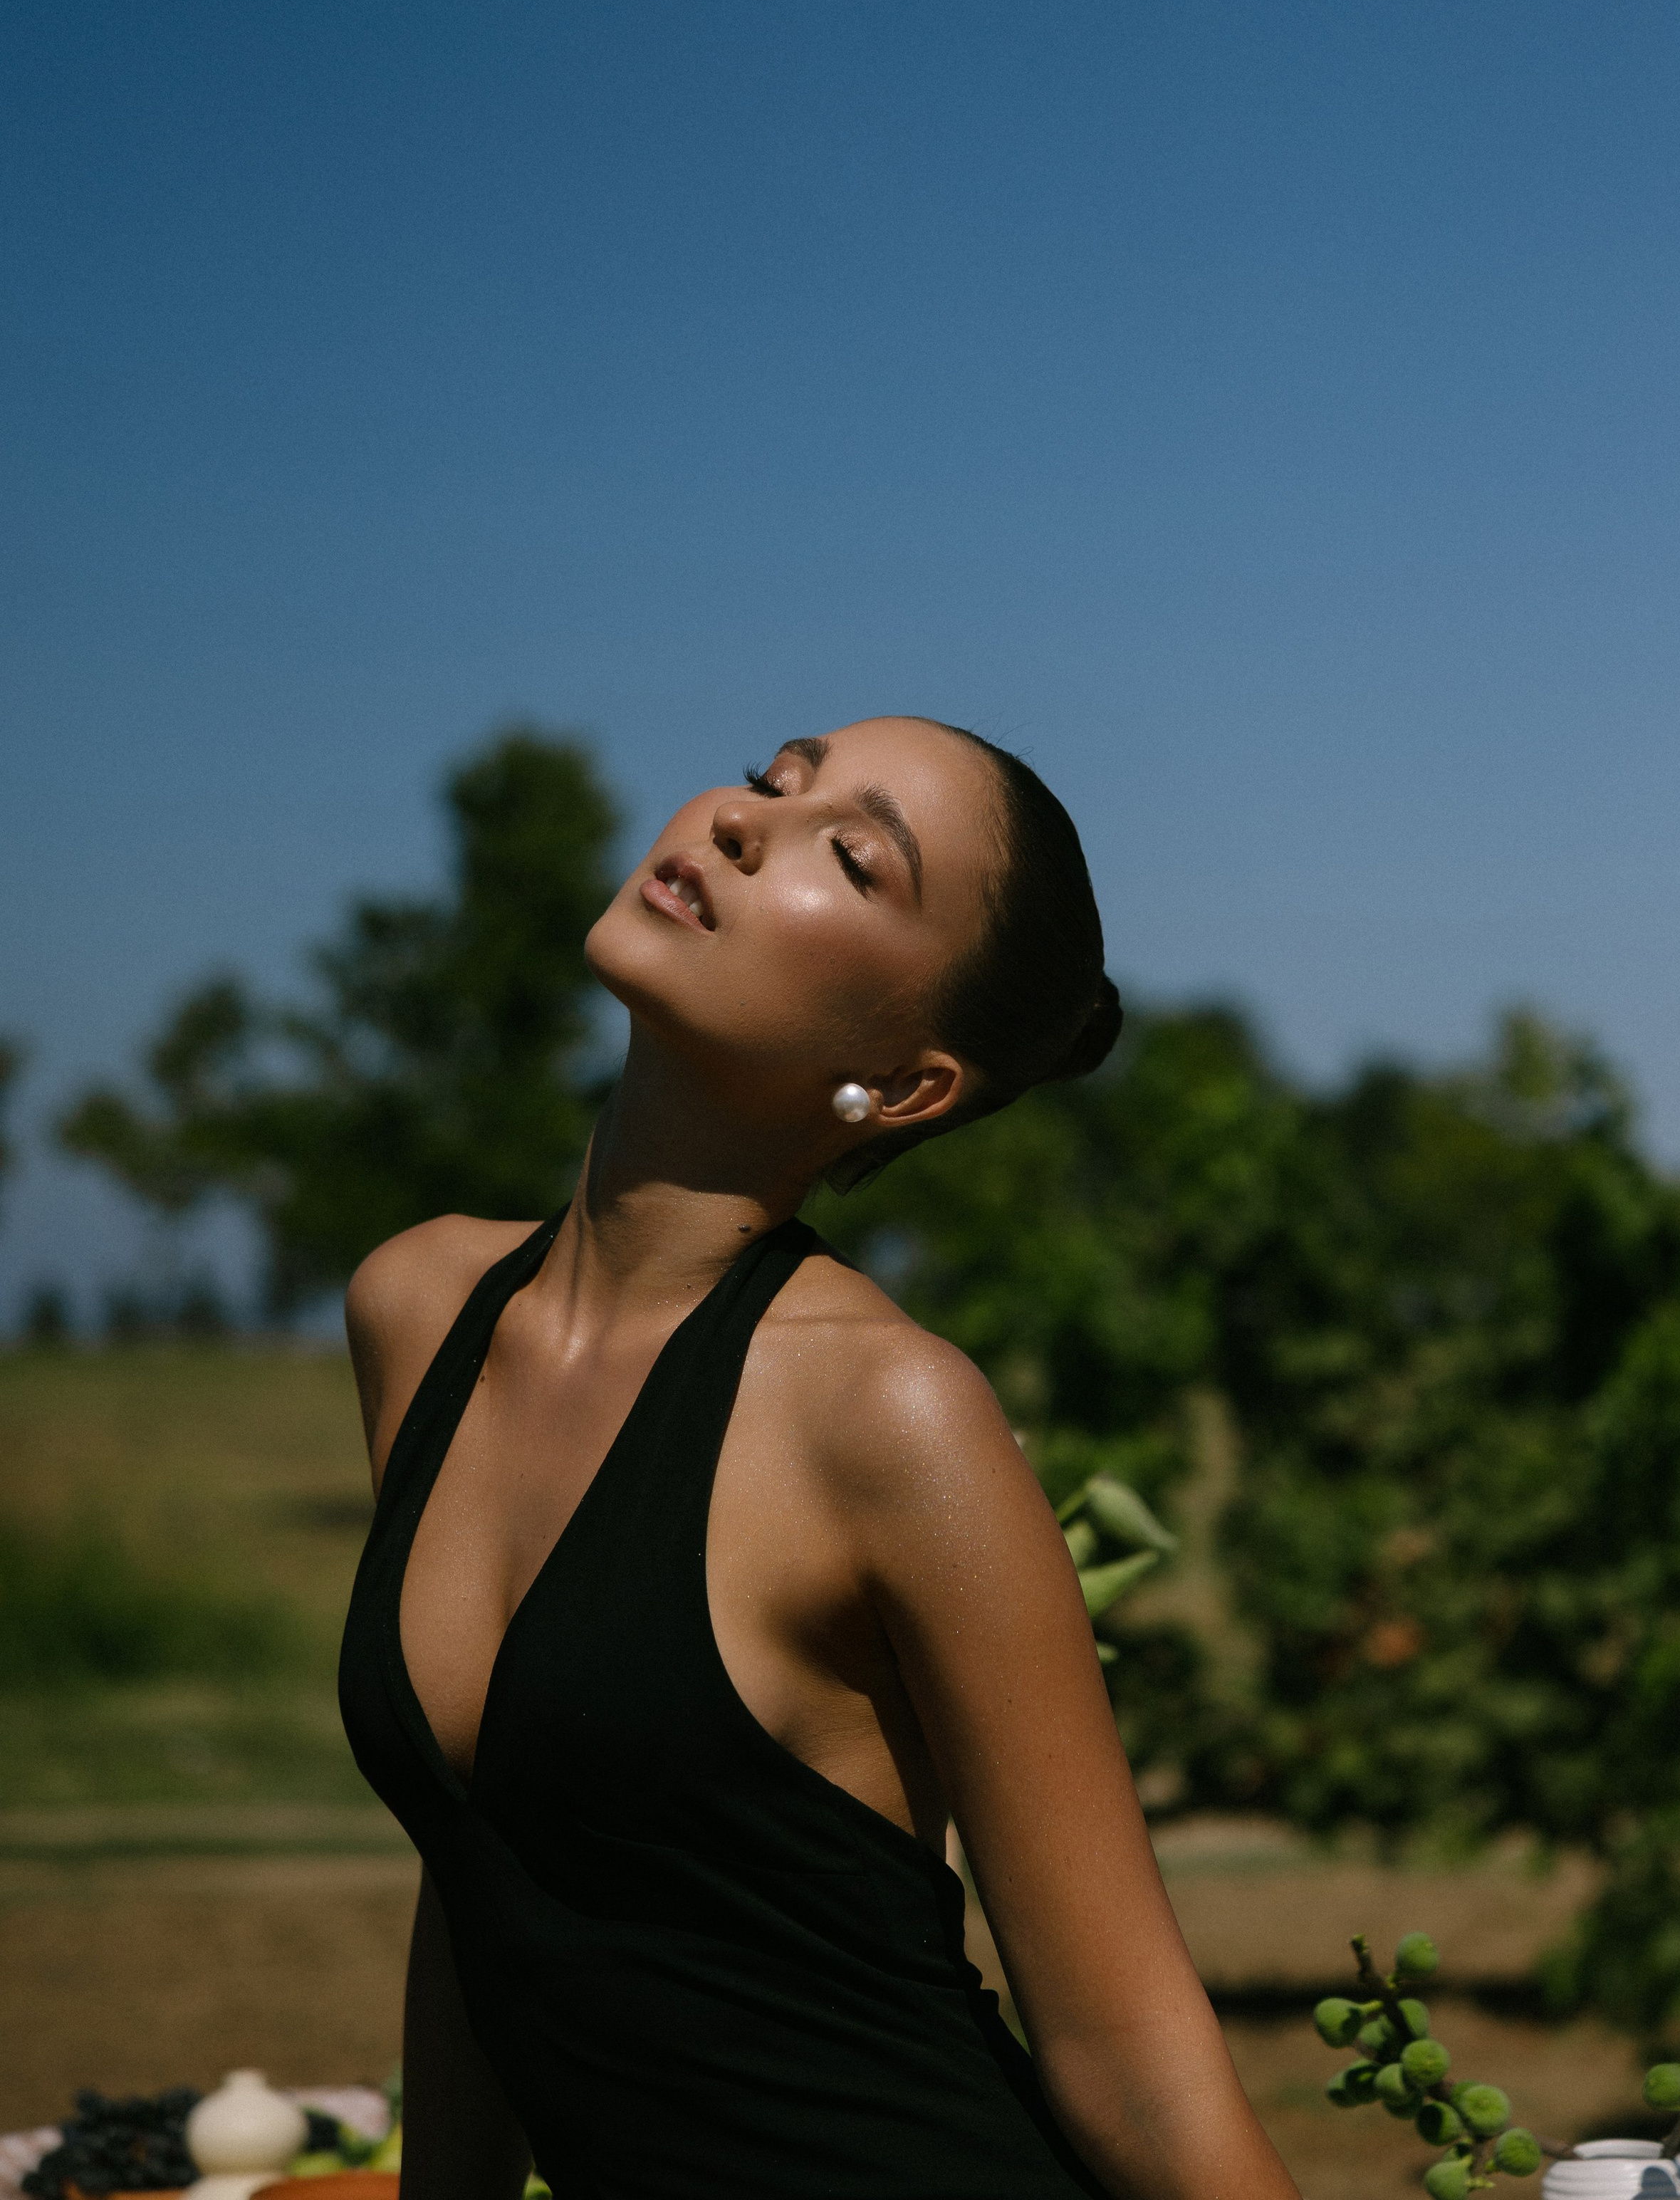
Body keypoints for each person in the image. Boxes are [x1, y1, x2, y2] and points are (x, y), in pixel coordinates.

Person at [338, 718, 1298, 2200]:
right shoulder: (417, 1311)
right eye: (774, 779)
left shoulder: (887, 1416)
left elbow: (1133, 2065)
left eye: (850, 857)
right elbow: (492, 1873)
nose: (739, 820)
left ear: (908, 1086)